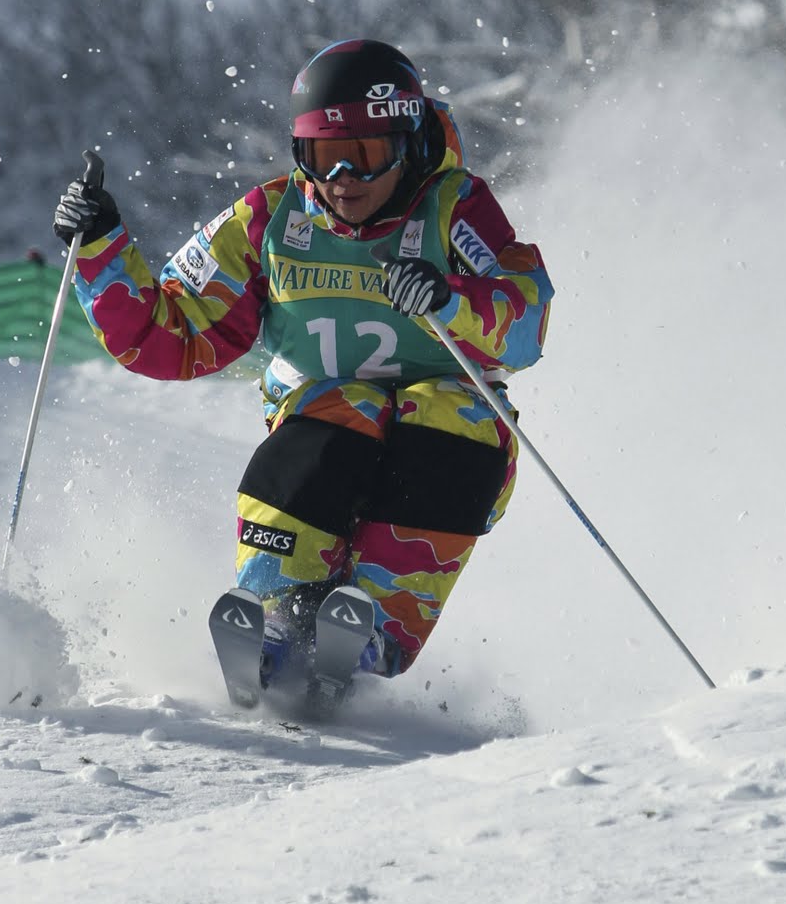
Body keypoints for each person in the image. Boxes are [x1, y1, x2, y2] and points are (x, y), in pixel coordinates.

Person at [51, 39, 552, 692]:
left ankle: (372, 624)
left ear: (404, 143)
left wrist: (450, 297)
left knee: (445, 413)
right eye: (321, 156)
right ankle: (274, 614)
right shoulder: (270, 219)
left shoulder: (454, 206)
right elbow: (167, 334)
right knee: (339, 407)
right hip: (324, 429)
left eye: (365, 156)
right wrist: (100, 248)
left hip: (455, 445)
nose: (343, 178)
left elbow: (527, 310)